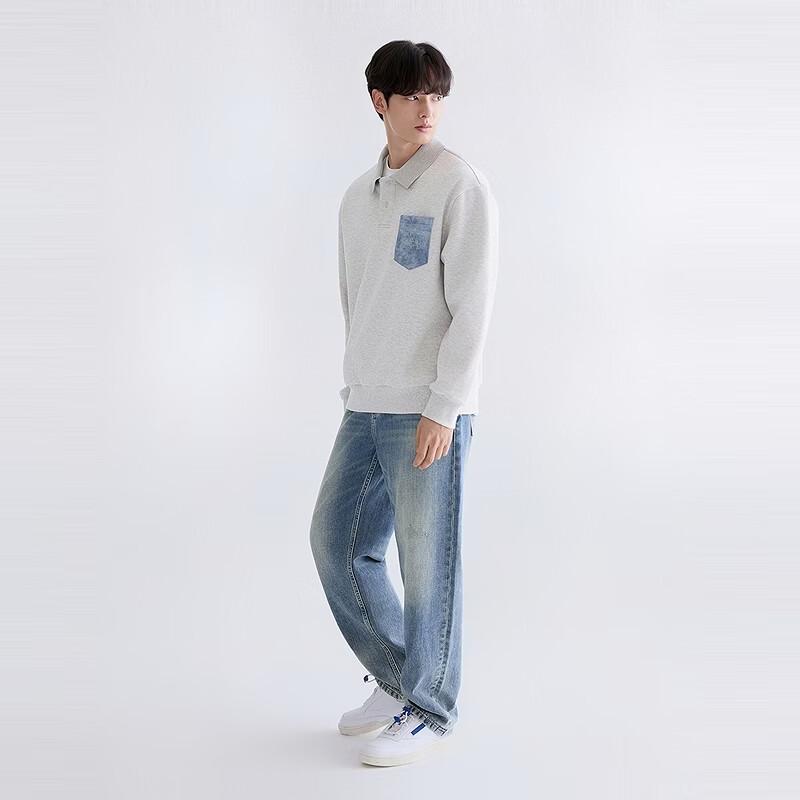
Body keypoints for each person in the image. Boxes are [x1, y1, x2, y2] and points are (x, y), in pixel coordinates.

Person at [309, 39, 499, 767]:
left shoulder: (458, 185)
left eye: (436, 95)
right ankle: (399, 681)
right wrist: (357, 385)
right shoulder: (358, 198)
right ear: (379, 102)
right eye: (413, 95)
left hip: (428, 409)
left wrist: (445, 406)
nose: (428, 109)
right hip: (366, 404)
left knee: (428, 567)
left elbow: (472, 307)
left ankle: (431, 707)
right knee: (336, 544)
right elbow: (354, 299)